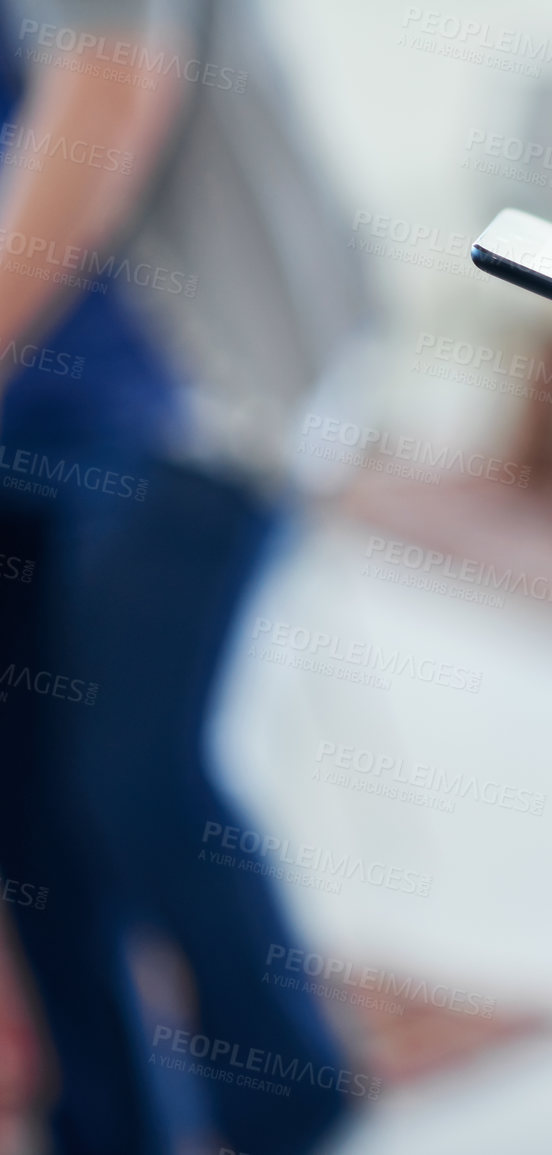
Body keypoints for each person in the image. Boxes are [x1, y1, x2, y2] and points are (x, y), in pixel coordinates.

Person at [0, 0, 368, 1150]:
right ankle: (107, 1119)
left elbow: (101, 108)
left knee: (135, 775)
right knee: (26, 802)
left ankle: (286, 1104)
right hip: (35, 407)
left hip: (193, 399)